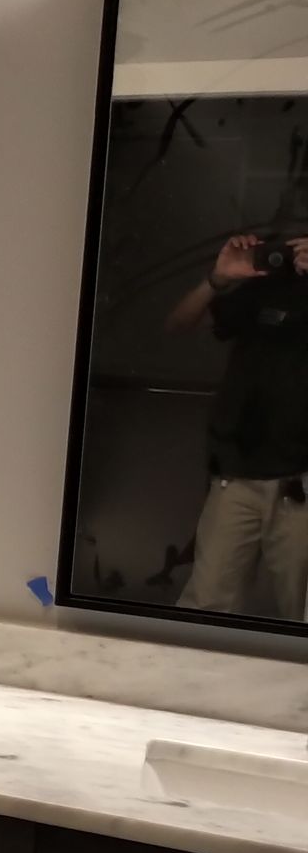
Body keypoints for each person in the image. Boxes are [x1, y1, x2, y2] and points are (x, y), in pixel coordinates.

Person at [166, 232, 308, 617]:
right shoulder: (270, 286)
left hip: (303, 481)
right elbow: (177, 325)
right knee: (205, 607)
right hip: (237, 474)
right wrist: (218, 278)